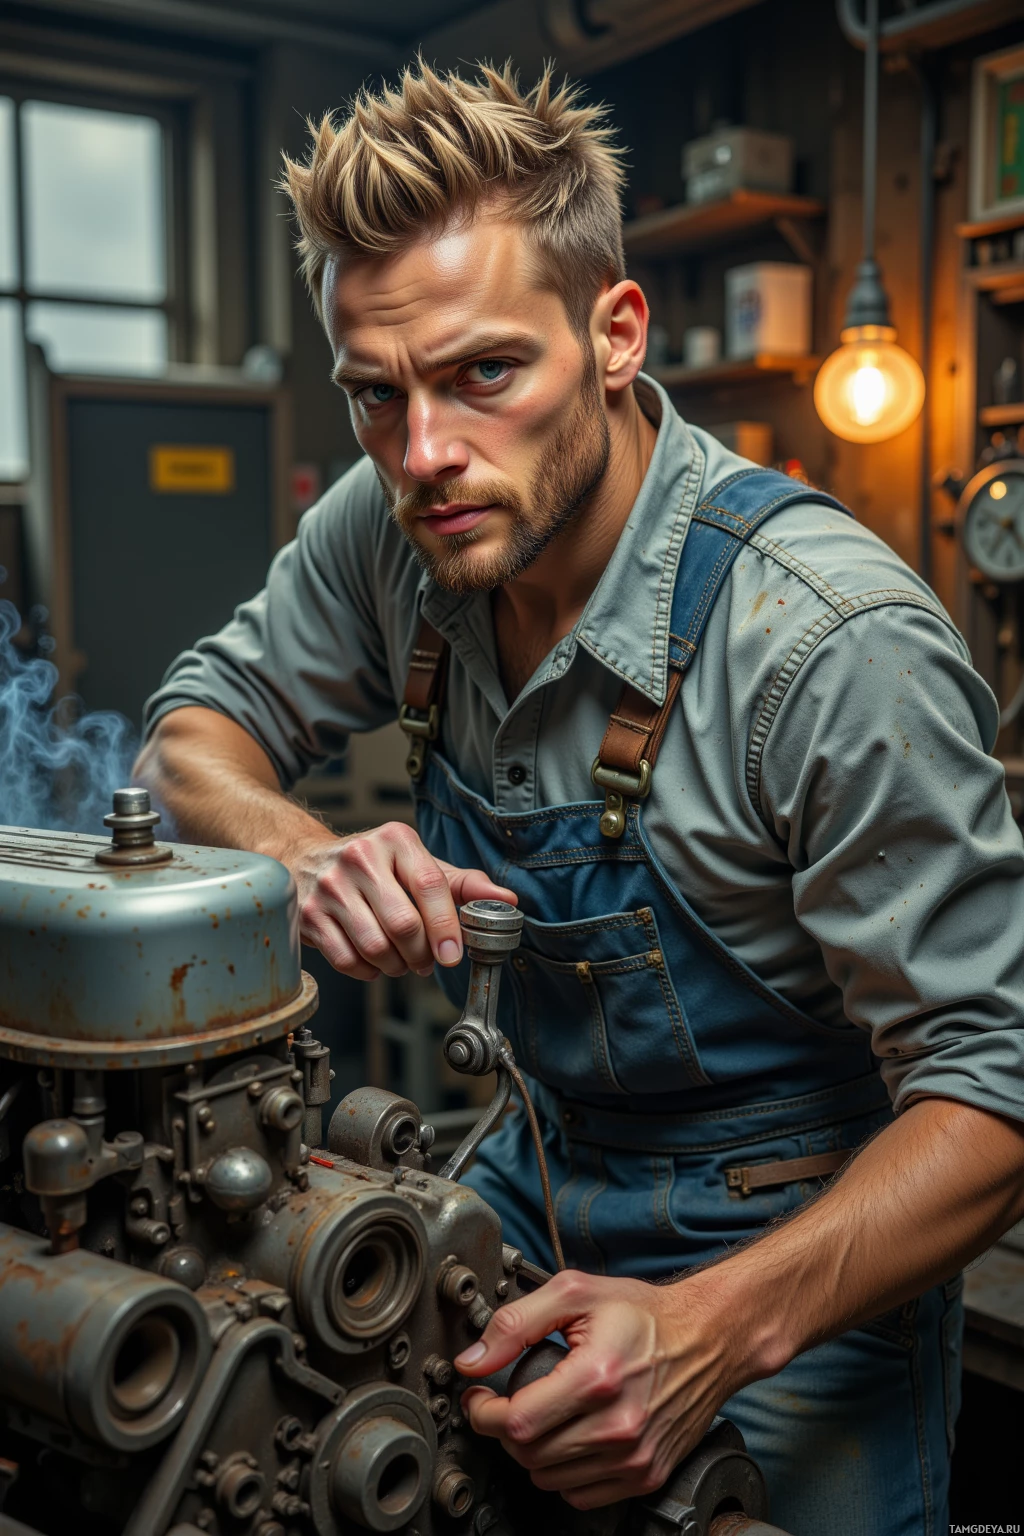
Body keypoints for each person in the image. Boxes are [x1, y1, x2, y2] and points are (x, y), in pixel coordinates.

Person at [136, 61, 1024, 1536]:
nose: (423, 455)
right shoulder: (400, 521)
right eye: (377, 395)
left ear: (616, 334)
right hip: (530, 1181)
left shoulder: (828, 642)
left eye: (486, 373)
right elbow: (192, 729)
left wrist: (709, 1333)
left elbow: (995, 1089)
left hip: (801, 1242)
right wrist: (302, 847)